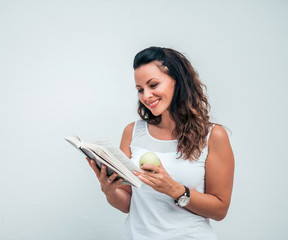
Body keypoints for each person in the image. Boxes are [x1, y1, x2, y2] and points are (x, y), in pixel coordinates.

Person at [87, 46, 234, 239]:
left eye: (153, 85)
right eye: (140, 89)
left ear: (178, 81)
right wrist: (110, 191)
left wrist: (174, 189)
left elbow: (220, 210)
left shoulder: (213, 136)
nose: (146, 96)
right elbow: (127, 204)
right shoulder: (132, 132)